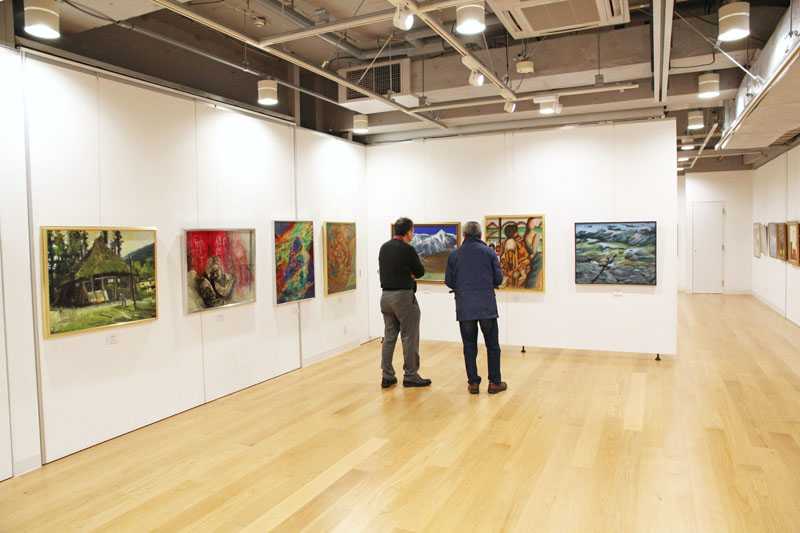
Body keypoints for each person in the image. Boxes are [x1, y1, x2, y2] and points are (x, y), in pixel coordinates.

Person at [445, 221, 507, 395]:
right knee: (492, 346)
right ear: (480, 235)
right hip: (487, 306)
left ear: (464, 235)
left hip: (465, 307)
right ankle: (494, 383)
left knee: (469, 346)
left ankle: (473, 383)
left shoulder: (454, 255)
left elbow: (449, 281)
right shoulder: (489, 252)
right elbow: (498, 279)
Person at [378, 217, 432, 389]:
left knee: (389, 337)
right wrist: (410, 273)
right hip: (403, 297)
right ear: (408, 232)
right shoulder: (408, 249)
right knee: (409, 337)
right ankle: (410, 375)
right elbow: (420, 271)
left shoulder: (384, 248)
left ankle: (387, 376)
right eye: (412, 231)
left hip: (385, 297)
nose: (413, 234)